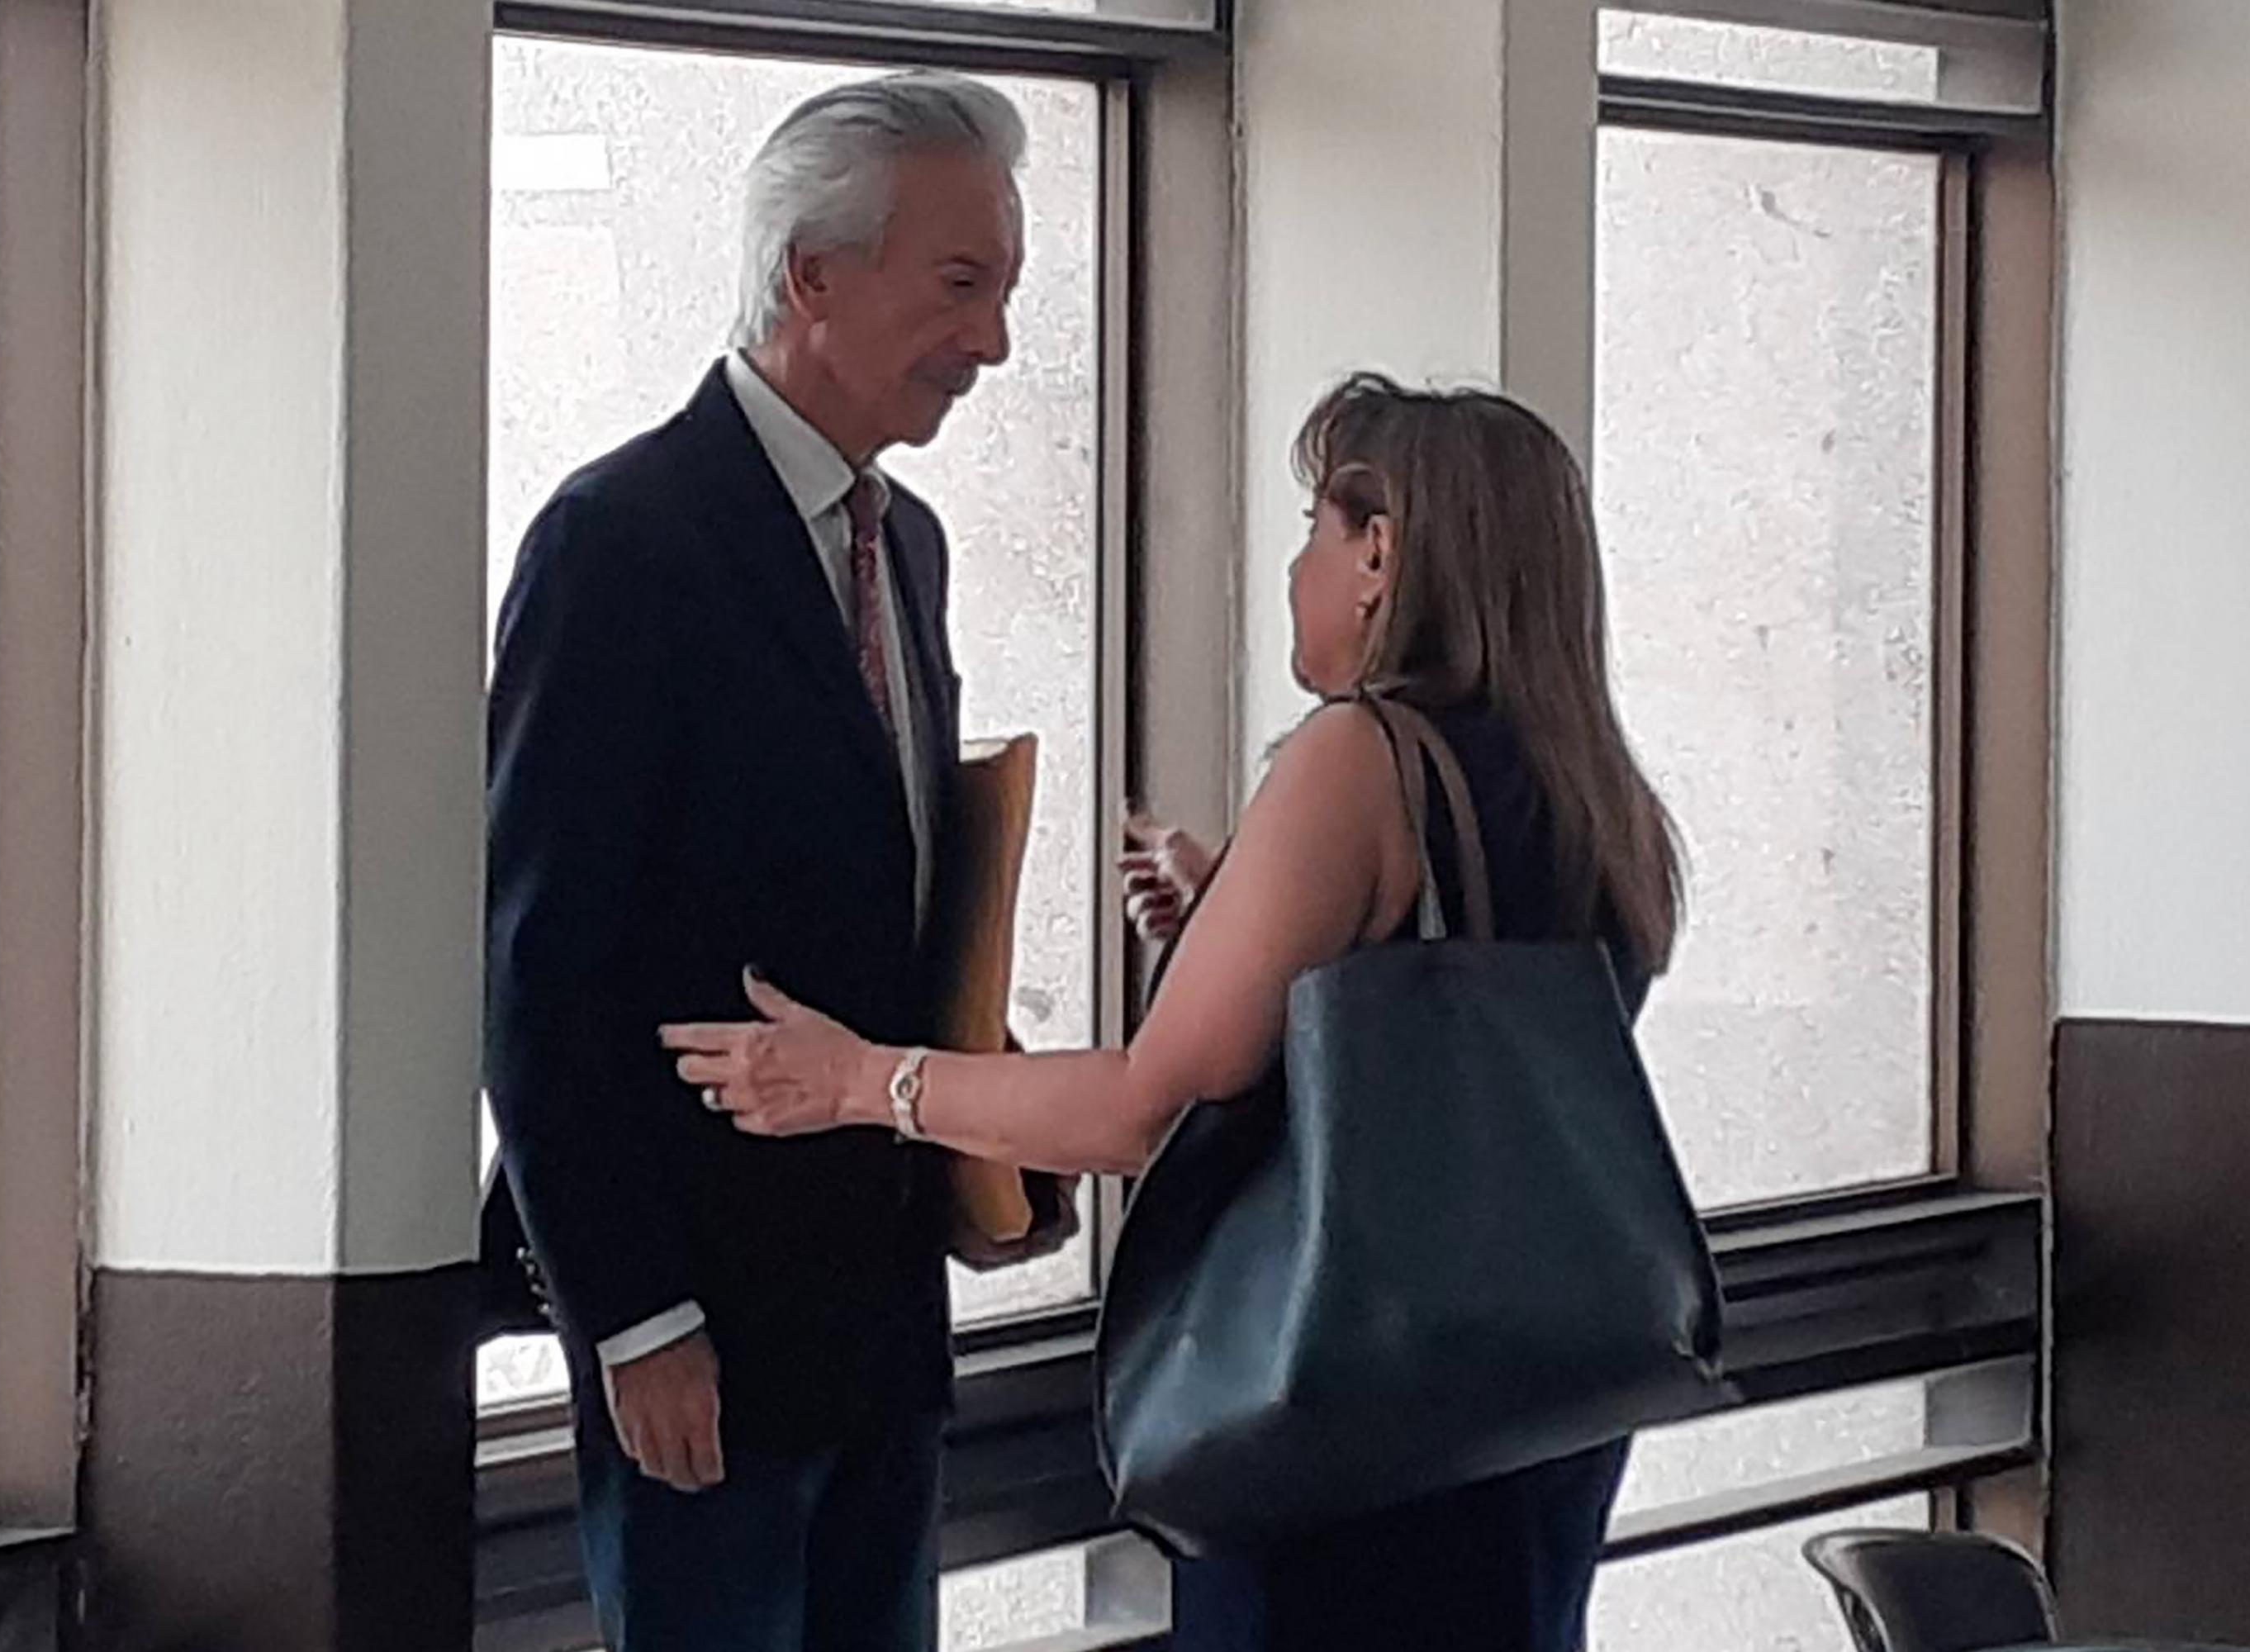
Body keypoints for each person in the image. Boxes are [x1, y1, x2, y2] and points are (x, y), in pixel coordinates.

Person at [664, 373, 1686, 1652]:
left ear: (1380, 552)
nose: (1298, 566)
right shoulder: (1595, 790)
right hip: (1541, 1409)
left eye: (1316, 527)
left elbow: (1149, 1105)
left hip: (1353, 1410)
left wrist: (864, 1081)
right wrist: (1234, 916)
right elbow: (1468, 1031)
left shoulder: (1357, 759)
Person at [484, 71, 1072, 1652]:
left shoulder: (913, 548)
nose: (996, 344)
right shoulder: (618, 543)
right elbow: (542, 973)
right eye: (964, 286)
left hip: (884, 1324)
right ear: (813, 276)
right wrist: (635, 1316)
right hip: (706, 1336)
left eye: (1006, 291)